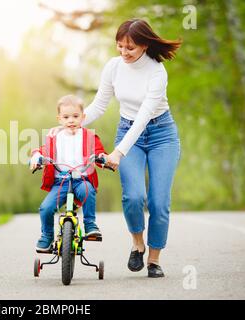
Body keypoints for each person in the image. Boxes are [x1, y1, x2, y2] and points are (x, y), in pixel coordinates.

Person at [81, 19, 182, 277]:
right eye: (120, 46)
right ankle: (137, 244)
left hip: (162, 135)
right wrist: (69, 123)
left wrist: (118, 152)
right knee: (134, 196)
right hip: (127, 132)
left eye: (130, 48)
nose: (124, 53)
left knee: (159, 202)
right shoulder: (114, 67)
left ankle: (154, 259)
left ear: (145, 45)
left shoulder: (157, 72)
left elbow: (144, 117)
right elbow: (99, 105)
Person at [30, 94, 109, 252]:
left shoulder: (89, 136)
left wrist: (102, 158)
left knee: (88, 190)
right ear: (59, 119)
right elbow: (42, 151)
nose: (71, 120)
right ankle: (47, 235)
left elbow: (100, 152)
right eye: (66, 117)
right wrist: (36, 158)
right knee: (45, 208)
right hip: (61, 182)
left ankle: (90, 224)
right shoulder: (54, 137)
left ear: (83, 117)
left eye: (75, 116)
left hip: (82, 179)